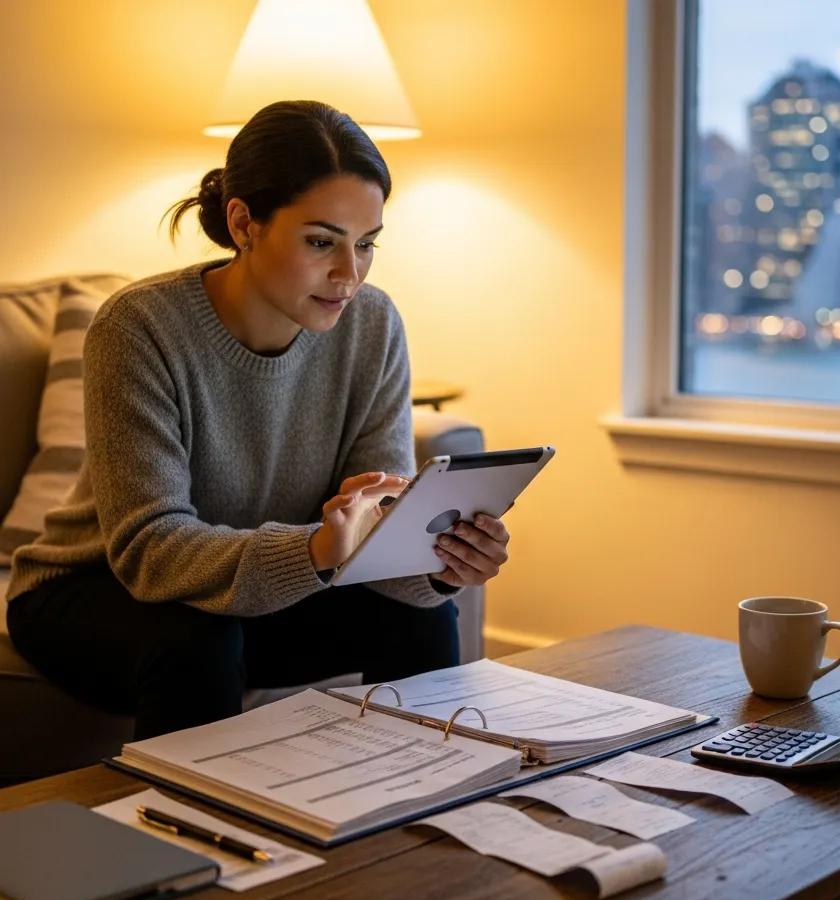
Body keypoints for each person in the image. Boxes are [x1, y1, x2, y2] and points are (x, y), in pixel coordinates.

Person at [6, 100, 510, 740]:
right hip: (92, 588)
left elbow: (374, 526)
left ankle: (425, 790)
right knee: (196, 638)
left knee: (423, 616)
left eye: (366, 245)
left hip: (263, 593)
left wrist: (437, 562)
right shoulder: (139, 326)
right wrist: (316, 549)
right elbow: (148, 552)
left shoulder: (373, 324)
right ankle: (189, 809)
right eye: (321, 242)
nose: (349, 275)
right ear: (244, 223)